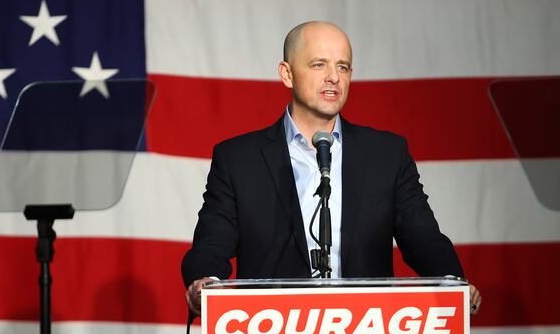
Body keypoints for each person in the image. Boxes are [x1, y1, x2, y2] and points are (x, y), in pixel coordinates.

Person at [182, 21, 481, 314]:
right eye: (318, 64)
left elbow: (423, 238)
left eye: (343, 67)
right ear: (287, 74)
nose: (333, 77)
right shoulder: (239, 159)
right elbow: (213, 241)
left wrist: (452, 281)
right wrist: (204, 281)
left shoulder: (386, 154)